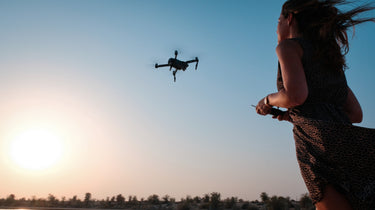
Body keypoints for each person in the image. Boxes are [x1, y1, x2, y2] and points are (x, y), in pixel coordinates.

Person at [255, 0, 375, 209]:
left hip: (318, 146)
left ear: (289, 18)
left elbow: (295, 95)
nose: (276, 27)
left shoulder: (288, 47)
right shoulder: (329, 57)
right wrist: (296, 116)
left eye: (278, 20)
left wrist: (267, 100)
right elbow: (355, 114)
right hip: (349, 144)